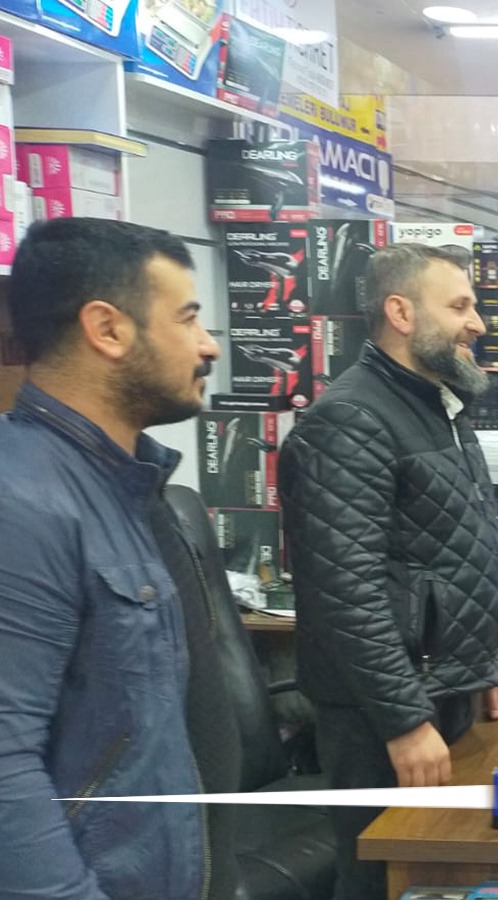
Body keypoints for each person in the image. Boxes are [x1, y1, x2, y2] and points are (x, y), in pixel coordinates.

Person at [0, 218, 237, 899]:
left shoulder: (127, 487)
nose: (208, 345)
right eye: (187, 318)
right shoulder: (23, 503)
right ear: (107, 329)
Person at [280, 243, 498, 900]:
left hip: (439, 688)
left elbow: (452, 551)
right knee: (385, 877)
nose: (478, 324)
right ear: (401, 313)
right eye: (460, 307)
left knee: (440, 871)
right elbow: (345, 593)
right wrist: (403, 721)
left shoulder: (434, 403)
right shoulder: (350, 420)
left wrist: (487, 658)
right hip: (382, 715)